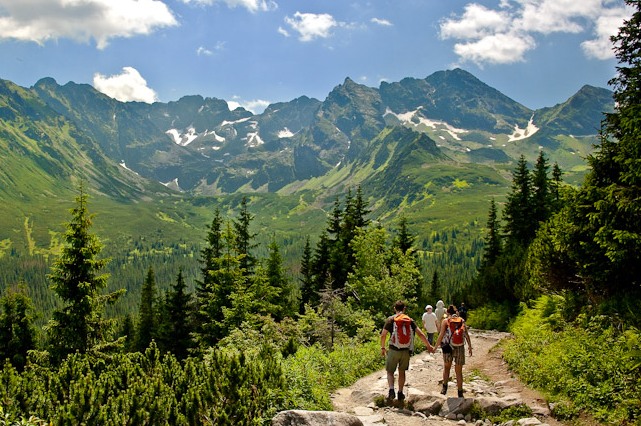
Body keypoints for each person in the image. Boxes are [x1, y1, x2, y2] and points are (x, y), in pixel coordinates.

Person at [380, 300, 435, 402]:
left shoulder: (391, 319)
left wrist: (383, 348)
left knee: (390, 371)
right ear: (404, 309)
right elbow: (420, 334)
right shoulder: (409, 320)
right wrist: (428, 345)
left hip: (393, 349)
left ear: (394, 308)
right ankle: (400, 393)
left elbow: (383, 335)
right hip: (406, 351)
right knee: (402, 372)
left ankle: (391, 390)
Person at [434, 304, 472, 398]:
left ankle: (444, 389)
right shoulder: (461, 320)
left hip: (447, 347)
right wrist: (470, 347)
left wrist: (435, 347)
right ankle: (460, 392)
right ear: (456, 312)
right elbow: (466, 334)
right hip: (459, 347)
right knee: (458, 371)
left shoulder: (445, 321)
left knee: (447, 368)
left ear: (447, 312)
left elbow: (441, 335)